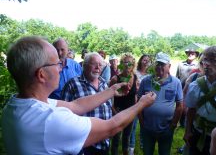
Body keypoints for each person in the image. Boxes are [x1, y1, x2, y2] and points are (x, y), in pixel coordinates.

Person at [2, 36, 156, 155]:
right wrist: (141, 104)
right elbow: (112, 126)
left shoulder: (14, 106)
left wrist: (111, 90)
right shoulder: (51, 120)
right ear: (41, 74)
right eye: (57, 64)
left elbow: (76, 105)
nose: (61, 69)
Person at [62, 52, 112, 155]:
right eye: (94, 64)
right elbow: (63, 115)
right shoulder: (73, 84)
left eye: (100, 65)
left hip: (103, 142)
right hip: (83, 144)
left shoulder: (104, 84)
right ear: (84, 65)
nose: (98, 67)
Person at [138, 52, 183, 155]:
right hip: (147, 128)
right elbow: (138, 102)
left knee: (164, 153)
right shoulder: (146, 81)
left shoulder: (176, 82)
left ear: (169, 66)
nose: (159, 67)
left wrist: (173, 125)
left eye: (162, 64)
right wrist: (142, 122)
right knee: (147, 152)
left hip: (166, 129)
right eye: (157, 64)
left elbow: (180, 106)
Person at [183, 46, 216, 155]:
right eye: (205, 59)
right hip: (197, 133)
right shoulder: (196, 85)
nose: (207, 64)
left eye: (213, 60)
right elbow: (191, 110)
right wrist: (188, 131)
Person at [110, 53, 138, 155]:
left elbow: (134, 95)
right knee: (116, 139)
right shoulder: (115, 79)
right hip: (118, 111)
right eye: (125, 62)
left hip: (130, 113)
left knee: (127, 137)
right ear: (121, 64)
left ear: (133, 65)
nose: (127, 65)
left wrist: (135, 109)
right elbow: (108, 96)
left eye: (130, 63)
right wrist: (114, 110)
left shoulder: (135, 78)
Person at [129, 54, 151, 155]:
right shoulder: (135, 72)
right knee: (133, 126)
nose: (146, 62)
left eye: (148, 60)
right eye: (144, 60)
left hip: (146, 103)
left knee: (145, 125)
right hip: (135, 101)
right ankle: (131, 147)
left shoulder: (151, 75)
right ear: (140, 61)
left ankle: (144, 143)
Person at [176, 48, 199, 127]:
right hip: (181, 87)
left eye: (192, 53)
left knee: (189, 105)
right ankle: (179, 121)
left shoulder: (198, 66)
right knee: (179, 104)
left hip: (192, 89)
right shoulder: (181, 64)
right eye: (189, 53)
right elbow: (177, 76)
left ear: (196, 55)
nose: (190, 54)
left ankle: (188, 122)